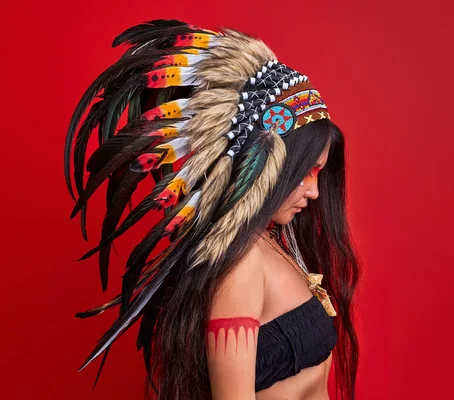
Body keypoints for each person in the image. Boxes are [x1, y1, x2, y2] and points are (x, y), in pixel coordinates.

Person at [64, 20, 360, 399]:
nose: (315, 192)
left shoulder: (273, 243)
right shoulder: (241, 266)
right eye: (305, 173)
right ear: (268, 167)